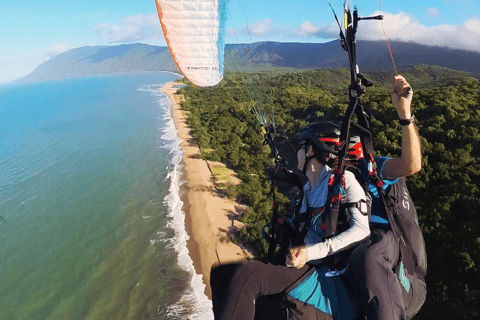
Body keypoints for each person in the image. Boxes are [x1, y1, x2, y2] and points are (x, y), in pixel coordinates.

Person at [210, 121, 370, 320]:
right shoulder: (307, 189)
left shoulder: (344, 180)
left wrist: (310, 252)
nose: (297, 155)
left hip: (325, 273)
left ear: (311, 150)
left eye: (301, 148)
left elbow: (362, 230)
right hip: (305, 267)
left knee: (247, 276)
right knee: (222, 275)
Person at [348, 75, 427, 320]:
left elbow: (410, 165)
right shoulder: (328, 184)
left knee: (370, 254)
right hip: (354, 248)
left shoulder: (373, 168)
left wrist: (405, 113)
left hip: (393, 256)